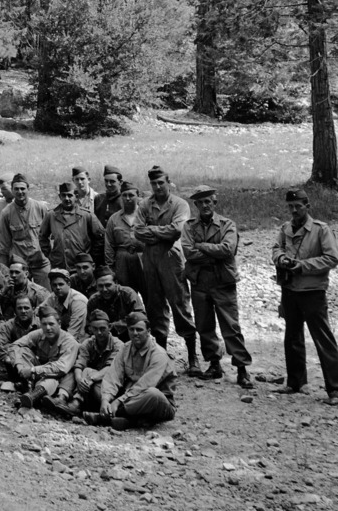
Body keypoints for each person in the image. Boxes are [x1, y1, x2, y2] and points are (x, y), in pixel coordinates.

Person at [182, 185, 252, 389]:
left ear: (215, 202)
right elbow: (188, 252)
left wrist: (202, 246)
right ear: (195, 205)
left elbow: (228, 250)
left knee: (231, 326)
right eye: (200, 202)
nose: (205, 205)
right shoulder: (189, 226)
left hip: (223, 281)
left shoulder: (227, 224)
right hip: (200, 282)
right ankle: (214, 364)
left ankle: (242, 369)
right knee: (204, 325)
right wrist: (213, 253)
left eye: (208, 201)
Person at [272, 188, 338, 402]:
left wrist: (302, 266)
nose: (294, 210)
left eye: (298, 206)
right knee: (292, 337)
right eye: (290, 207)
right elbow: (276, 248)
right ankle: (295, 382)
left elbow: (332, 258)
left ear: (307, 206)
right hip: (289, 289)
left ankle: (335, 389)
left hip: (312, 292)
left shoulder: (321, 230)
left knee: (323, 339)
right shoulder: (285, 228)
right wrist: (280, 258)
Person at [136, 166, 198, 370]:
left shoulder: (180, 205)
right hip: (150, 260)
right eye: (153, 183)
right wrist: (162, 232)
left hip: (172, 258)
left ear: (168, 182)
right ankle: (160, 357)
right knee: (155, 306)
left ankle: (192, 357)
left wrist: (152, 230)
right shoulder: (145, 204)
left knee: (180, 303)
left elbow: (177, 230)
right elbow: (138, 232)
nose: (157, 187)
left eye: (160, 182)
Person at [85, 306, 176, 430]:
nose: (135, 333)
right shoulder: (125, 348)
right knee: (98, 385)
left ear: (148, 331)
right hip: (128, 396)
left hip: (156, 402)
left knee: (153, 394)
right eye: (131, 329)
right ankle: (128, 419)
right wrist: (105, 399)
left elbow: (144, 386)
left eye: (139, 330)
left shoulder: (158, 354)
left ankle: (108, 416)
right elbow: (113, 376)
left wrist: (118, 402)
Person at [11, 304, 80, 417]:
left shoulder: (70, 342)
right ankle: (29, 391)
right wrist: (20, 367)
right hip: (39, 373)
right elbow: (15, 345)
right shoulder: (39, 333)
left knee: (51, 378)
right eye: (44, 324)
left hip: (61, 377)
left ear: (59, 324)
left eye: (51, 324)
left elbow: (61, 368)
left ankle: (33, 396)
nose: (48, 328)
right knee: (22, 350)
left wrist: (32, 370)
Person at [0, 174, 50, 279]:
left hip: (40, 261)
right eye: (16, 189)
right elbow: (4, 242)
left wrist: (48, 256)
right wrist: (5, 268)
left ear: (28, 189)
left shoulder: (40, 208)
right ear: (12, 190)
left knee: (46, 288)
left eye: (22, 188)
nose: (20, 192)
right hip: (19, 263)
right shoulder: (6, 213)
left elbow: (50, 235)